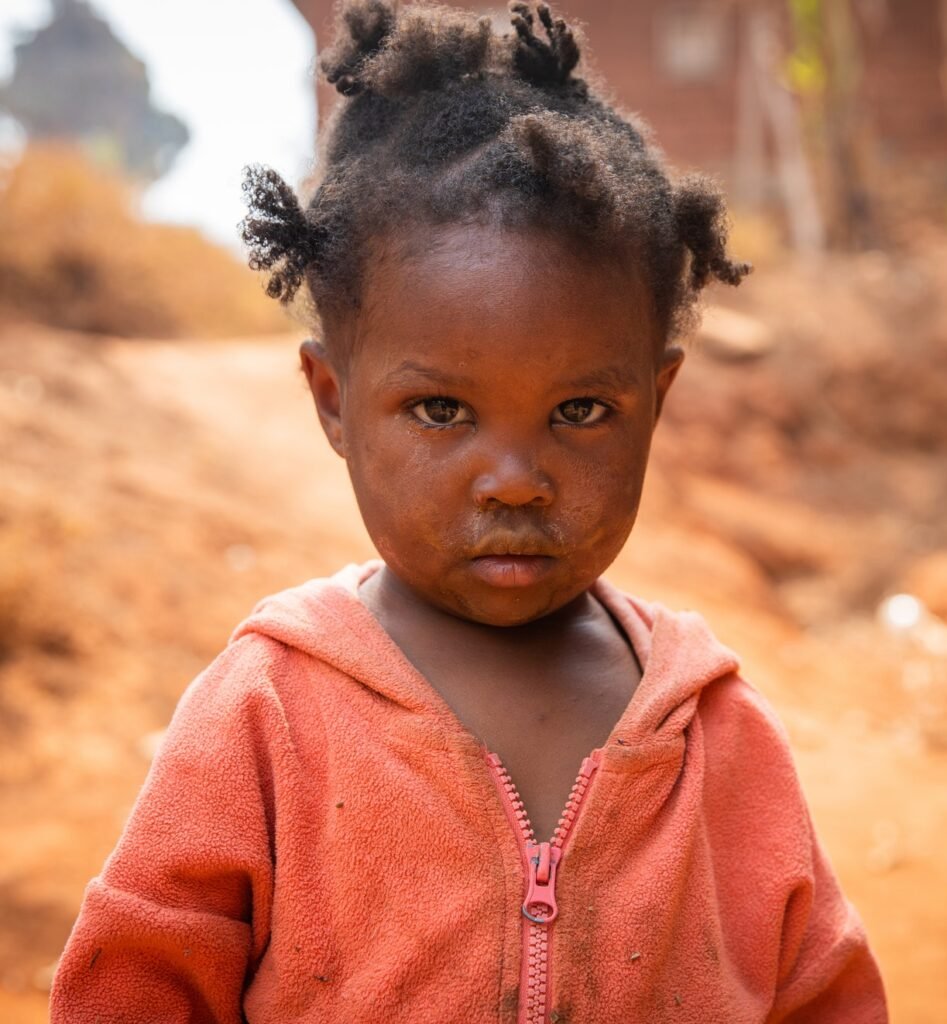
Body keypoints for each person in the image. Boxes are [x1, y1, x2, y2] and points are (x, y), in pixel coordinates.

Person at [50, 2, 888, 1021]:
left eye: (579, 410)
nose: (514, 480)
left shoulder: (715, 733)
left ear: (654, 403)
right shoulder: (263, 716)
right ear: (332, 402)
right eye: (441, 410)